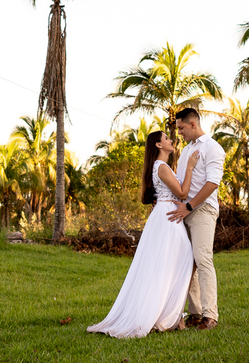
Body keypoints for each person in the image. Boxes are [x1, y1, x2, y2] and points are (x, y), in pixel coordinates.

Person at [87, 131, 200, 338]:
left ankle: (173, 315)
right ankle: (170, 315)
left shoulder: (162, 167)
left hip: (167, 216)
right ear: (158, 145)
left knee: (175, 263)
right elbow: (183, 193)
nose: (171, 141)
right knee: (178, 262)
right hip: (168, 219)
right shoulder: (162, 167)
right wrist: (191, 167)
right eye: (167, 139)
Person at [167, 107, 225, 330]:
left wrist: (189, 206)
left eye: (181, 128)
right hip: (184, 212)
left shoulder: (213, 148)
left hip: (201, 211)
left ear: (193, 124)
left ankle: (210, 316)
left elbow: (212, 183)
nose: (179, 132)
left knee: (203, 258)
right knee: (187, 263)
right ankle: (195, 313)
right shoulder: (185, 153)